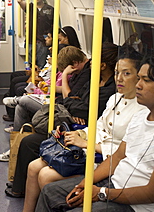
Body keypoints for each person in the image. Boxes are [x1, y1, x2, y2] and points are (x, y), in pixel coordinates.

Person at [36, 54, 154, 211]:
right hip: (113, 183)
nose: (138, 85)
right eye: (138, 79)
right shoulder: (141, 116)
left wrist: (102, 193)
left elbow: (153, 194)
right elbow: (118, 157)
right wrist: (87, 182)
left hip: (137, 206)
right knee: (50, 192)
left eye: (146, 80)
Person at [22, 51, 146, 212]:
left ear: (139, 77)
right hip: (89, 149)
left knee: (46, 175)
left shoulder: (142, 110)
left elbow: (124, 152)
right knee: (33, 167)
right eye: (117, 73)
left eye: (126, 73)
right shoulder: (115, 99)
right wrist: (79, 134)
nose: (119, 78)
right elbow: (98, 126)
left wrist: (86, 144)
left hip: (102, 158)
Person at [4, 43, 118, 198]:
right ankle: (20, 186)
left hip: (81, 130)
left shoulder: (111, 91)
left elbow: (84, 108)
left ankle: (21, 187)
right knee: (30, 133)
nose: (90, 63)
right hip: (73, 123)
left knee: (30, 141)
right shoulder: (93, 79)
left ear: (103, 65)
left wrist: (73, 102)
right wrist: (74, 103)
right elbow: (71, 99)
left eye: (93, 60)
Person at [0, 46, 92, 161]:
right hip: (62, 103)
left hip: (64, 108)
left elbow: (69, 97)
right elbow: (66, 92)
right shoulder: (79, 72)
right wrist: (49, 88)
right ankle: (14, 147)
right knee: (20, 108)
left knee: (24, 101)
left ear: (75, 64)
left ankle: (16, 99)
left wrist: (64, 76)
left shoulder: (86, 74)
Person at [3, 26, 81, 122]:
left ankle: (16, 101)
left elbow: (63, 89)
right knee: (16, 79)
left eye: (59, 40)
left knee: (20, 89)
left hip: (55, 96)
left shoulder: (68, 67)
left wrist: (45, 82)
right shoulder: (60, 65)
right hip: (49, 84)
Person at [18, 0, 54, 68]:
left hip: (43, 42)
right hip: (30, 40)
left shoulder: (50, 9)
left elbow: (53, 25)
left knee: (42, 66)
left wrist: (51, 37)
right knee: (30, 66)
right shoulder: (30, 7)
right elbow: (19, 0)